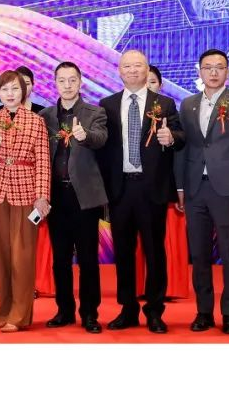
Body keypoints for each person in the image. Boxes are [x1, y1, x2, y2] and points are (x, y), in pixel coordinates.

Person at [96, 50, 184, 334]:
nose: (133, 70)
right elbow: (102, 148)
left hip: (151, 188)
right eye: (127, 66)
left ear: (147, 70)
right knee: (123, 253)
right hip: (120, 188)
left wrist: (171, 137)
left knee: (154, 251)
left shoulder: (164, 103)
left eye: (138, 66)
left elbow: (181, 137)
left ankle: (155, 311)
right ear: (119, 71)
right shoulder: (107, 105)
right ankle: (128, 309)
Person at [176, 48, 229, 335]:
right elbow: (183, 147)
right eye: (208, 67)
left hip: (226, 188)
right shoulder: (188, 104)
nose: (213, 72)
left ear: (227, 72)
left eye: (219, 67)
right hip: (195, 187)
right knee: (199, 254)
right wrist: (180, 186)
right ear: (199, 71)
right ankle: (204, 312)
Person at [0, 70, 51, 332]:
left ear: (24, 91)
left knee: (22, 255)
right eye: (4, 89)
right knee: (3, 254)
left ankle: (20, 315)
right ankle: (5, 309)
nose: (10, 94)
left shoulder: (36, 121)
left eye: (15, 89)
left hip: (26, 192)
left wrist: (42, 195)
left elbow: (43, 160)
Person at [41, 62, 108, 333]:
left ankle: (90, 313)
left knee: (88, 258)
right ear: (55, 83)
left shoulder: (95, 112)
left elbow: (101, 138)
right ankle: (64, 310)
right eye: (62, 80)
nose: (67, 85)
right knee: (60, 259)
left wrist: (86, 135)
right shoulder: (45, 116)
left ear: (80, 82)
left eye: (72, 80)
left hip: (84, 196)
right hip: (56, 196)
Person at [146, 66, 189, 301]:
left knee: (165, 241)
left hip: (165, 187)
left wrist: (180, 187)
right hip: (137, 188)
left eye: (153, 82)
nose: (148, 85)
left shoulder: (169, 109)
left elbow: (181, 149)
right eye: (145, 81)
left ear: (160, 85)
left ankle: (169, 287)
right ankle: (141, 286)